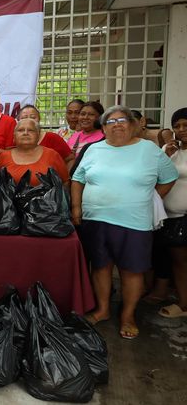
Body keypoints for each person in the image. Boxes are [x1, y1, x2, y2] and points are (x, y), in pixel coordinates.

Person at [71, 105, 178, 339]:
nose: (117, 125)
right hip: (96, 219)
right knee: (100, 267)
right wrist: (76, 207)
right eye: (110, 121)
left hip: (134, 222)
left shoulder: (149, 150)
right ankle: (103, 310)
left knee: (132, 270)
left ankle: (128, 315)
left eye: (122, 121)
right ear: (103, 128)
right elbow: (78, 179)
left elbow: (169, 178)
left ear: (132, 125)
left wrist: (151, 199)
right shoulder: (94, 149)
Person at [159, 108, 187, 319]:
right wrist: (165, 154)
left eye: (186, 125)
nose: (181, 130)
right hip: (171, 217)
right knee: (178, 262)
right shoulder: (172, 151)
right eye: (177, 126)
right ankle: (184, 303)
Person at [0, 118, 70, 186]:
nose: (25, 133)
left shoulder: (51, 155)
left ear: (38, 135)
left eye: (31, 130)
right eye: (20, 130)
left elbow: (65, 182)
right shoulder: (3, 156)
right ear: (14, 135)